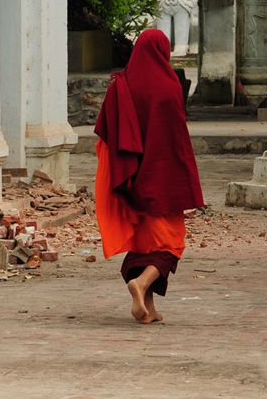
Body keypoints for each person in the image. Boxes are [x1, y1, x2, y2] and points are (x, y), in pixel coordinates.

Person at [94, 28, 205, 324]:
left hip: (131, 178)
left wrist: (119, 172)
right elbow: (176, 142)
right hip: (161, 179)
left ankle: (147, 308)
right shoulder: (168, 86)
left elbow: (107, 132)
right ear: (163, 52)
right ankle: (141, 284)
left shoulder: (123, 84)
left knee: (144, 246)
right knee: (171, 243)